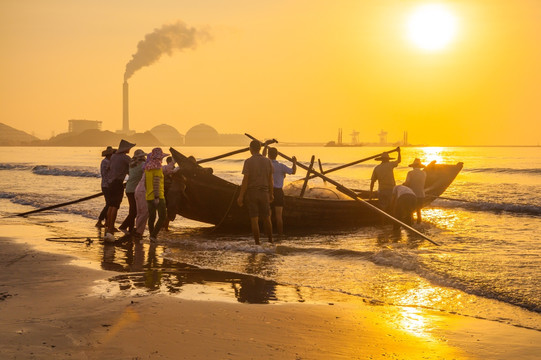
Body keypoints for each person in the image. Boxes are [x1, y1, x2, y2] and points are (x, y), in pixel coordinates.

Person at [237, 140, 274, 245]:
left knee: (254, 219)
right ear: (260, 148)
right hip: (264, 193)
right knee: (267, 218)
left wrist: (240, 196)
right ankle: (271, 241)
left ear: (250, 149)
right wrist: (271, 193)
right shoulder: (268, 161)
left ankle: (257, 244)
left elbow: (246, 180)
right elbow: (270, 179)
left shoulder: (248, 161)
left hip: (252, 193)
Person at [104, 139, 135, 242]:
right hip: (118, 183)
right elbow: (133, 167)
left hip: (111, 183)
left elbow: (110, 168)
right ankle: (111, 227)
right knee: (115, 206)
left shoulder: (113, 156)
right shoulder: (125, 158)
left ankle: (109, 225)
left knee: (111, 205)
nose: (130, 149)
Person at [263, 146, 296, 236]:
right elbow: (293, 171)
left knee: (267, 216)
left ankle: (267, 235)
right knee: (279, 216)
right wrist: (294, 163)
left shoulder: (265, 164)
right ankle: (280, 234)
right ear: (277, 155)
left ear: (268, 155)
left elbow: (262, 156)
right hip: (278, 192)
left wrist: (265, 146)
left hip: (268, 191)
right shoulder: (281, 166)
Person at [118, 149, 146, 235]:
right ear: (142, 157)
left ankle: (130, 229)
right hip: (135, 190)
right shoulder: (142, 165)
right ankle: (123, 226)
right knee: (135, 211)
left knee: (132, 210)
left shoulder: (131, 164)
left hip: (129, 188)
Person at [145, 147, 169, 242]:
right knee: (163, 216)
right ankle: (154, 235)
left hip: (149, 196)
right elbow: (156, 183)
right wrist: (157, 197)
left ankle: (152, 235)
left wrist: (149, 194)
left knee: (152, 217)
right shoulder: (157, 168)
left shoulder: (148, 168)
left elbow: (145, 183)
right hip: (158, 196)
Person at [96, 146, 115, 228]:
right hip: (107, 185)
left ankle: (106, 221)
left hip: (106, 185)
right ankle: (100, 220)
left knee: (109, 204)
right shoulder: (106, 162)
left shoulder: (106, 161)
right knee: (109, 204)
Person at [403, 158, 427, 224]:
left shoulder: (410, 173)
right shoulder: (424, 173)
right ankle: (419, 223)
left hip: (412, 195)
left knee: (411, 211)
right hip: (421, 195)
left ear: (413, 166)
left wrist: (403, 185)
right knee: (418, 211)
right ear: (419, 166)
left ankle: (411, 224)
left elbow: (407, 183)